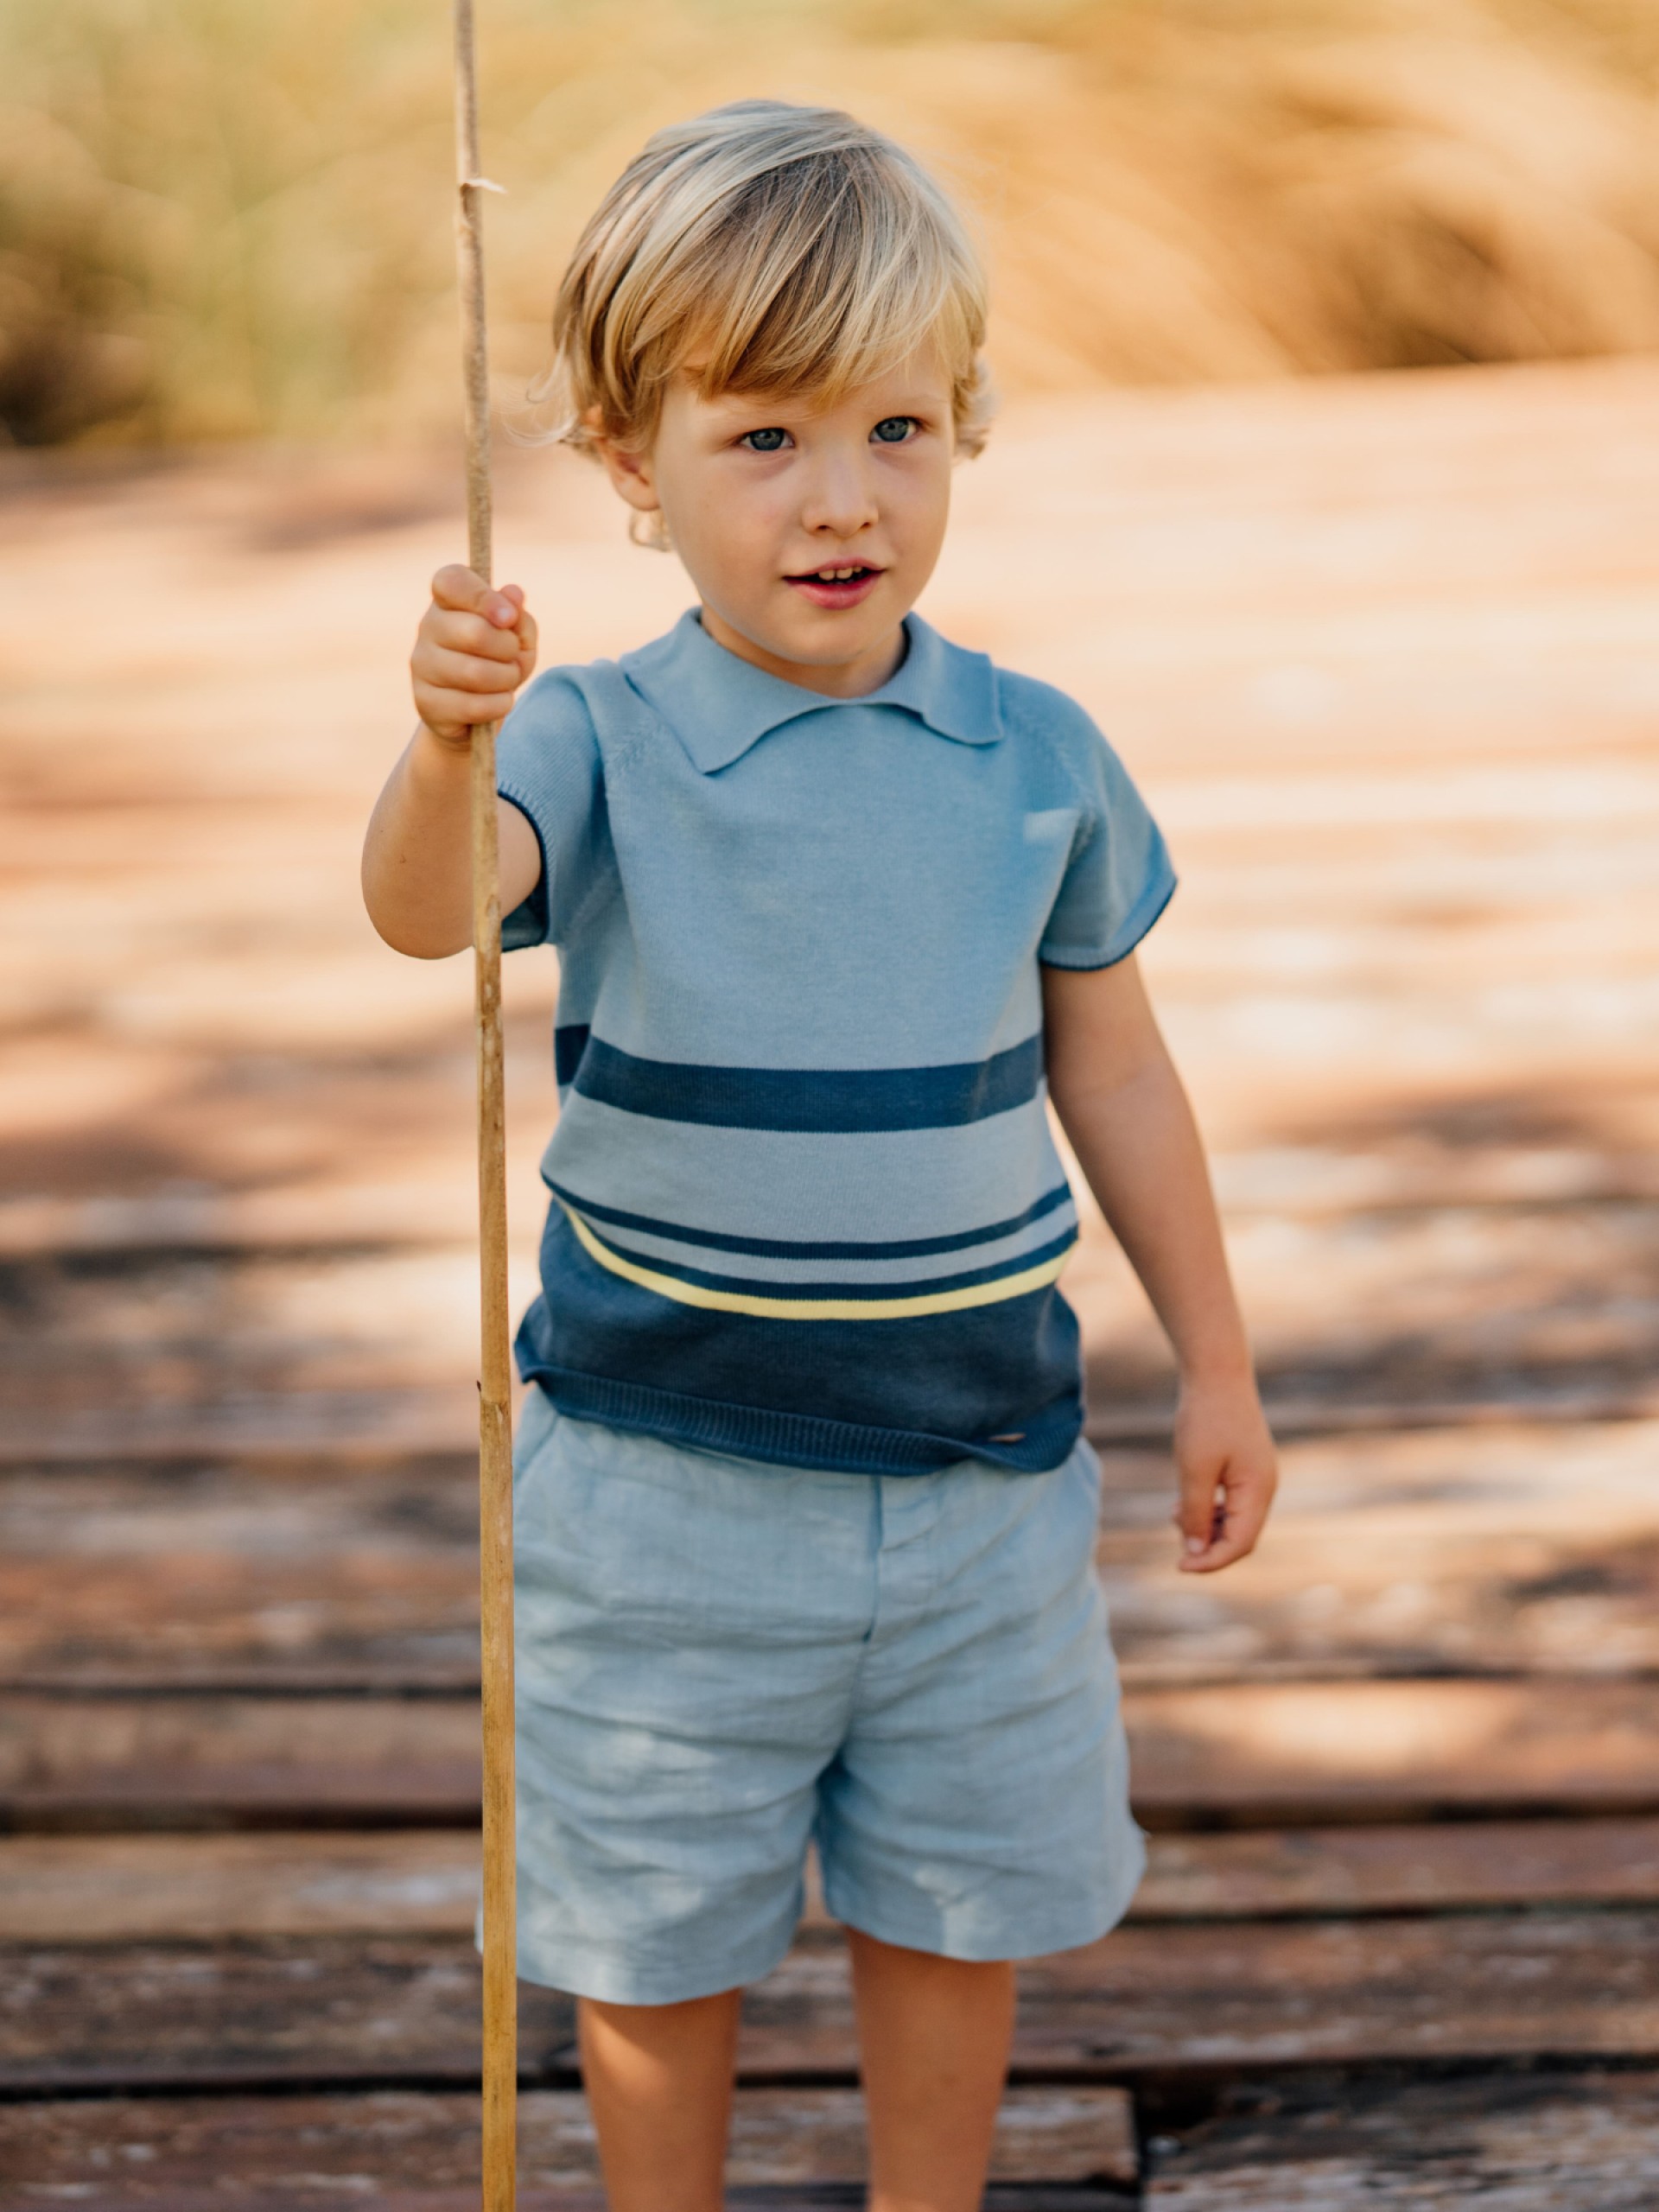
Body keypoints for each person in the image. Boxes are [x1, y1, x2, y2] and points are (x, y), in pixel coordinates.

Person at [361, 99, 1276, 2212]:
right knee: (653, 1932)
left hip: (980, 1485)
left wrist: (1215, 1359)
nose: (841, 500)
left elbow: (1118, 1071)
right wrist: (441, 739)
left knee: (957, 1905)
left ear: (965, 428)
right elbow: (429, 909)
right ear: (628, 460)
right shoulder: (589, 737)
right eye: (762, 438)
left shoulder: (1035, 751)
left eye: (896, 429)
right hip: (664, 1488)